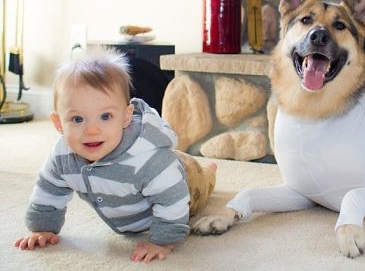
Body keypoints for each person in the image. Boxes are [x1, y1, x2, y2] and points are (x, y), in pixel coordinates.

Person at [14, 48, 216, 262]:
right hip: (159, 181)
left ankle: (210, 171)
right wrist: (43, 227)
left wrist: (164, 241)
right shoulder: (62, 157)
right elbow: (48, 188)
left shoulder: (149, 161)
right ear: (58, 123)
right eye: (78, 119)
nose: (92, 130)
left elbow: (173, 198)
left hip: (184, 179)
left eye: (105, 116)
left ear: (126, 117)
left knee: (202, 181)